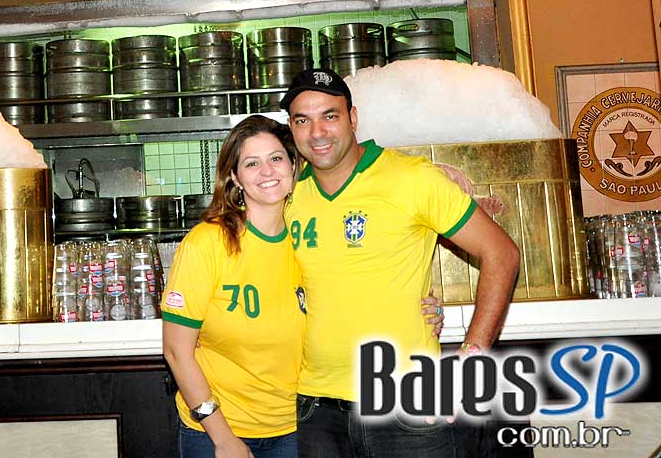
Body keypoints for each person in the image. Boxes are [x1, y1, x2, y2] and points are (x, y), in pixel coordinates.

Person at [162, 116, 445, 458]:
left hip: (298, 429)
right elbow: (176, 352)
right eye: (251, 163)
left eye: (276, 158)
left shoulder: (307, 239)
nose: (267, 171)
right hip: (215, 431)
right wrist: (223, 439)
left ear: (294, 166)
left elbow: (358, 287)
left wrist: (419, 305)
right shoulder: (208, 242)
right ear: (235, 177)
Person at [279, 68, 521, 457]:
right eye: (302, 120)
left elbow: (502, 253)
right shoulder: (288, 195)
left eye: (330, 116)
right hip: (317, 411)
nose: (317, 132)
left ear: (353, 118)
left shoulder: (413, 179)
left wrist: (470, 356)